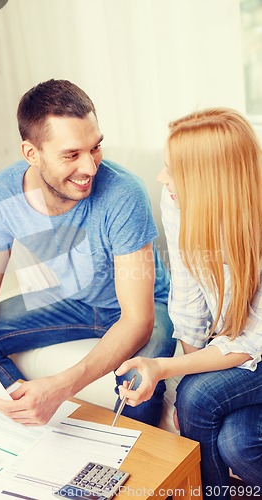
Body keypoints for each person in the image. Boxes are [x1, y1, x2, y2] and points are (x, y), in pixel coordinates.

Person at [0, 79, 176, 427]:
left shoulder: (124, 194)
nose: (90, 167)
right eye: (71, 155)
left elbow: (137, 320)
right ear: (31, 153)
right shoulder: (1, 195)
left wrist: (62, 385)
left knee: (137, 381)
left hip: (148, 304)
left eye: (95, 147)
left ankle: (134, 459)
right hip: (73, 300)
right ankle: (37, 423)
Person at [116, 108, 262, 499]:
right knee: (238, 441)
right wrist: (185, 379)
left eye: (171, 170)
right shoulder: (177, 199)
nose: (162, 179)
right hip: (245, 352)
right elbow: (188, 301)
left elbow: (252, 342)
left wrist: (170, 373)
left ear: (210, 181)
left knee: (199, 398)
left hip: (256, 348)